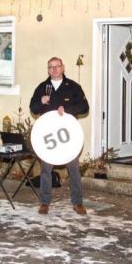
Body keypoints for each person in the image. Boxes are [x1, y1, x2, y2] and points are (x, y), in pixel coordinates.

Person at [29, 57, 90, 215]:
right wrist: (41, 101)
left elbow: (84, 107)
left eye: (57, 66)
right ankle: (44, 202)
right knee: (45, 170)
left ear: (63, 67)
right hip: (49, 137)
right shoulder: (42, 87)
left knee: (74, 170)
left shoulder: (73, 87)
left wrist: (68, 109)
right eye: (51, 67)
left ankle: (78, 202)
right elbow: (33, 108)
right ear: (48, 70)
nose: (54, 69)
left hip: (68, 137)